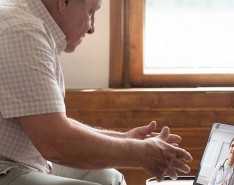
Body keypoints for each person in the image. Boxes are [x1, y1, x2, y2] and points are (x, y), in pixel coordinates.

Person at [0, 0, 193, 184]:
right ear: (64, 2)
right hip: (7, 167)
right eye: (91, 12)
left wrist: (124, 139)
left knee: (109, 178)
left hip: (23, 161)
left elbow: (49, 121)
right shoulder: (22, 32)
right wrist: (142, 153)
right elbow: (56, 142)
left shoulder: (29, 23)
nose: (92, 27)